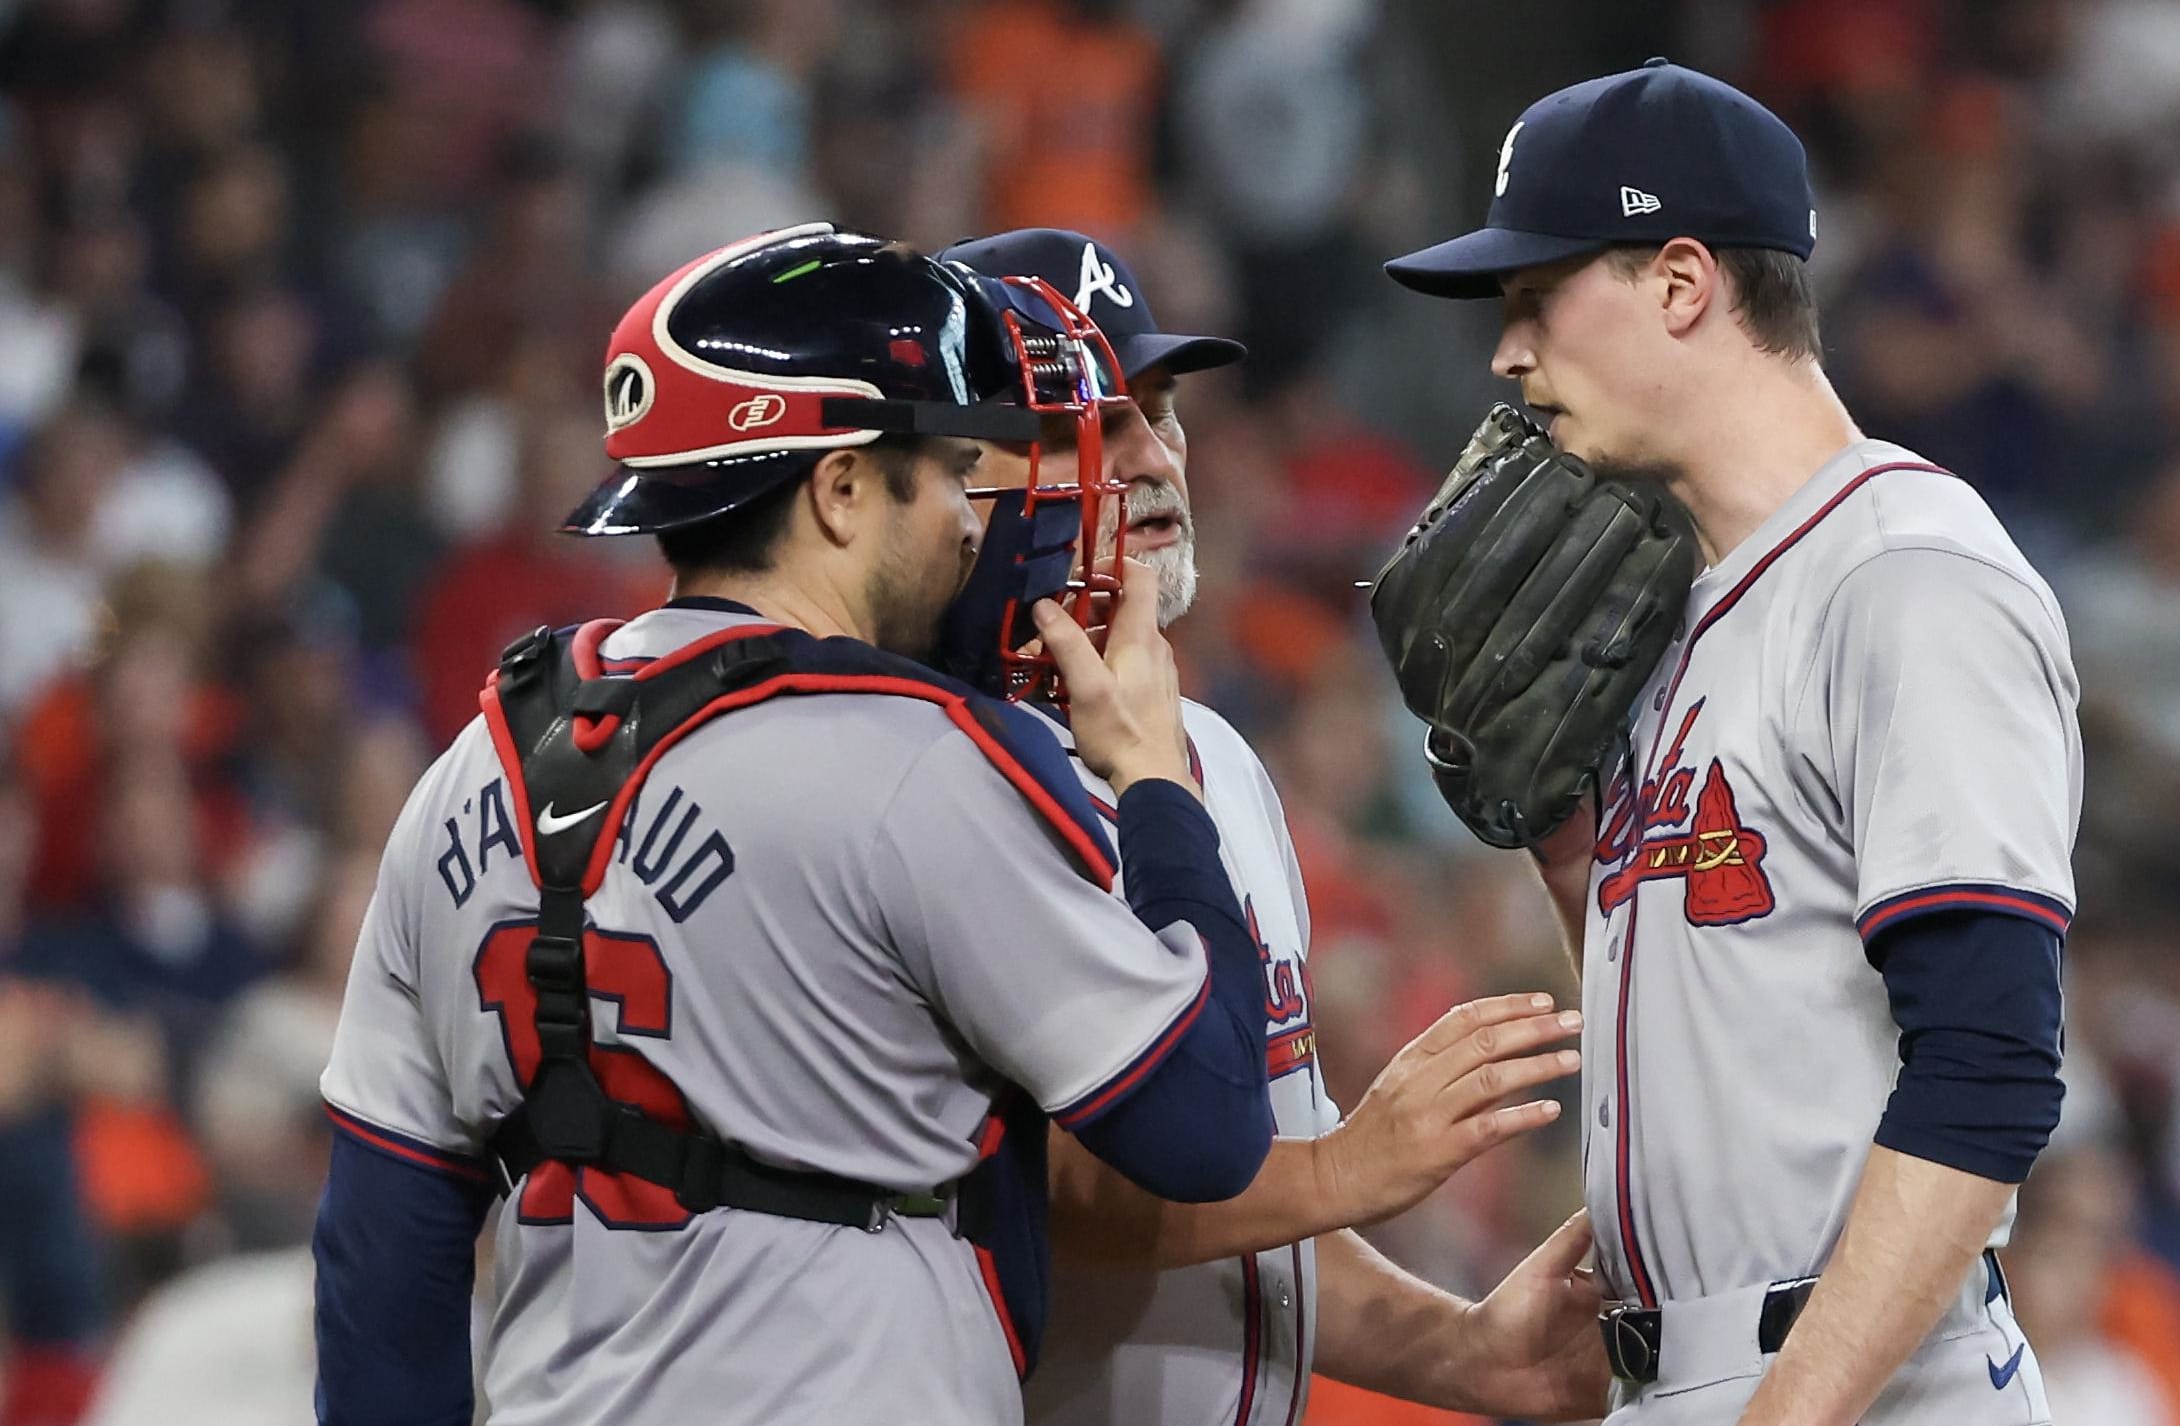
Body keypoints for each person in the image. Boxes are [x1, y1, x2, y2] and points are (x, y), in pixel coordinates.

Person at [312, 224, 1280, 1426]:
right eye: (943, 468)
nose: (972, 517)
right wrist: (1154, 783)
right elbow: (1207, 1118)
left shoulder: (468, 771)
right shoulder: (916, 763)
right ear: (839, 488)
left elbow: (381, 1254)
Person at [1384, 61, 2082, 1425]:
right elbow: (1721, 985)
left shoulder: (1906, 575)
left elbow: (1990, 1073)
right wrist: (1557, 829)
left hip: (1871, 1381)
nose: (1506, 352)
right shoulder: (1673, 610)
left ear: (1683, 282)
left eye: (1536, 297)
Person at [940, 227, 1610, 1426]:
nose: (1154, 456)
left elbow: (1258, 1216)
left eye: (1167, 410)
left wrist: (1462, 1352)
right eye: (1094, 418)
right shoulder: (942, 777)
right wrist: (1350, 1168)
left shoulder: (1223, 764)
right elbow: (1023, 1192)